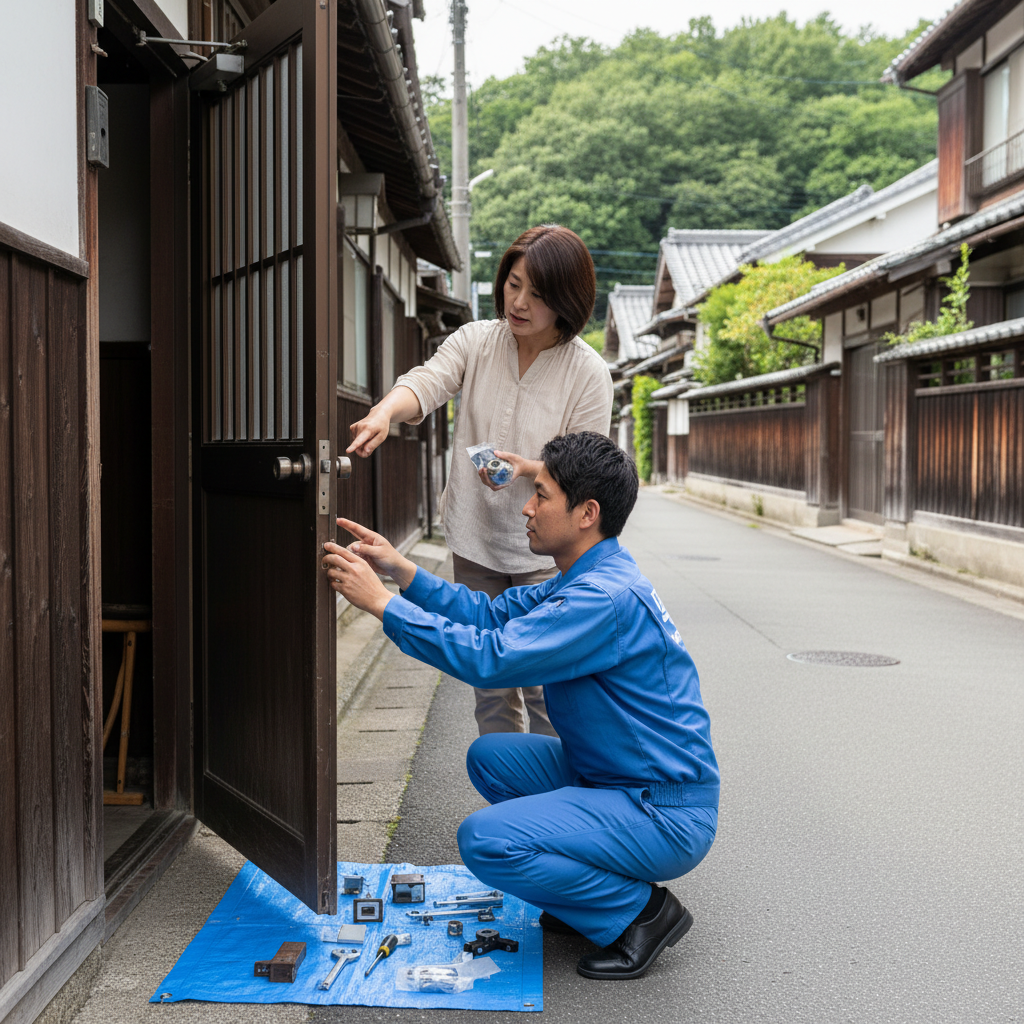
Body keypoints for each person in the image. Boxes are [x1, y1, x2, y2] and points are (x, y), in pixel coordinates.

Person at [321, 432, 719, 981]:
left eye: (543, 495)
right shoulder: (586, 577)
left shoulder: (598, 599)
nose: (527, 508)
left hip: (660, 809)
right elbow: (488, 616)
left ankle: (641, 913)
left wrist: (383, 606)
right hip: (613, 777)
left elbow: (492, 659)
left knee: (485, 839)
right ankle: (581, 892)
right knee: (492, 757)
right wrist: (401, 571)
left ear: (587, 513)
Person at [346, 224, 613, 739]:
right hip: (474, 539)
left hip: (545, 550)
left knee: (545, 688)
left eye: (537, 294)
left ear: (567, 300)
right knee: (488, 689)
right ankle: (506, 803)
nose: (519, 302)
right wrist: (384, 412)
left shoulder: (587, 372)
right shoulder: (476, 340)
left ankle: (553, 808)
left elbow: (586, 467)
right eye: (513, 284)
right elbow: (427, 380)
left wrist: (529, 469)